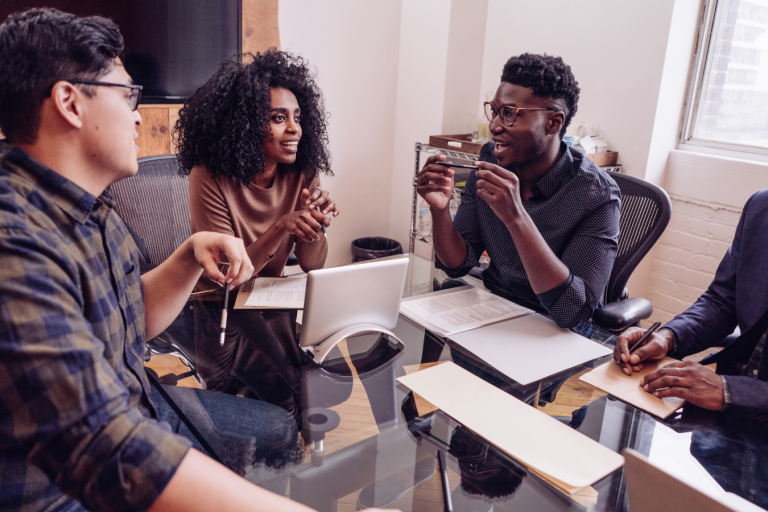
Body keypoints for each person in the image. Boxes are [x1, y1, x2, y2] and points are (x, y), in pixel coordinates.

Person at [0, 9, 395, 512]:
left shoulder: (93, 210)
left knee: (276, 424)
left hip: (138, 403)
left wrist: (188, 254)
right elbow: (100, 447)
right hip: (55, 492)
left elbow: (131, 321)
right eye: (128, 96)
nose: (139, 114)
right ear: (70, 102)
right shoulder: (14, 240)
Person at [174, 50, 337, 416]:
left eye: (297, 118)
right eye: (278, 118)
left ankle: (301, 463)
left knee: (300, 394)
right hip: (223, 311)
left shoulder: (301, 171)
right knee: (288, 393)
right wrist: (282, 227)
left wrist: (313, 226)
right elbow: (229, 276)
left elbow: (313, 265)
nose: (294, 129)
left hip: (269, 301)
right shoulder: (210, 174)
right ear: (246, 124)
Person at [416, 53, 621, 331]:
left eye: (510, 114)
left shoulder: (596, 195)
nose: (494, 126)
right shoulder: (491, 159)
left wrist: (516, 217)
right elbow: (458, 264)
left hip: (553, 333)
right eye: (496, 111)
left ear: (554, 123)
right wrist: (439, 211)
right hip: (494, 312)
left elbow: (573, 311)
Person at [616, 190, 768, 419]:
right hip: (731, 395)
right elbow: (722, 301)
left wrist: (731, 392)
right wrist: (668, 337)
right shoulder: (760, 206)